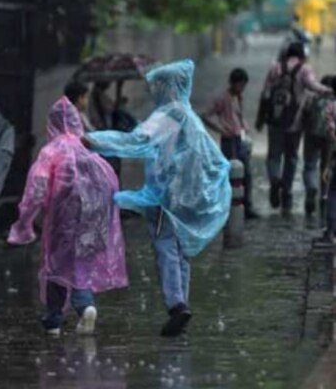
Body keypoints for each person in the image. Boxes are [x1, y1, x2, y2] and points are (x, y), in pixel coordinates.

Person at [83, 60, 231, 337]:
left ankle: (176, 305)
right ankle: (181, 303)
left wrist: (94, 140)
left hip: (166, 197)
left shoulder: (166, 116)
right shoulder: (189, 116)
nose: (154, 91)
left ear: (167, 86)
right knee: (180, 251)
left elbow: (134, 140)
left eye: (158, 85)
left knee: (165, 248)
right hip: (186, 198)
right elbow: (214, 158)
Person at [8, 96, 128, 336]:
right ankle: (86, 305)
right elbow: (110, 182)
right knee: (81, 262)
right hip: (93, 216)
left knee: (56, 264)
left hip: (63, 217)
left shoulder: (51, 151)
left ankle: (56, 317)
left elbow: (37, 187)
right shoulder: (86, 149)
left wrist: (25, 222)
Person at [257, 42, 332, 214]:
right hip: (295, 123)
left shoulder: (275, 68)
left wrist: (261, 118)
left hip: (274, 121)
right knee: (291, 158)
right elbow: (313, 86)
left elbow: (265, 92)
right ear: (301, 55)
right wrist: (328, 90)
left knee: (274, 156)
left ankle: (275, 180)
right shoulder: (304, 69)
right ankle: (287, 192)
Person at [201, 68, 260, 219]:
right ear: (233, 83)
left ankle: (246, 205)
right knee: (231, 174)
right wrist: (221, 129)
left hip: (240, 139)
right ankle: (228, 206)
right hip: (229, 140)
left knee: (246, 174)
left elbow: (239, 117)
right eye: (240, 85)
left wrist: (245, 129)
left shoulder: (239, 97)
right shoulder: (223, 98)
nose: (242, 88)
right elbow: (206, 115)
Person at [295, 76, 336, 217]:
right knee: (326, 166)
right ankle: (324, 196)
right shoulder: (334, 101)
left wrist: (300, 131)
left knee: (310, 165)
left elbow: (302, 115)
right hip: (330, 138)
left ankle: (311, 188)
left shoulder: (312, 98)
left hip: (311, 134)